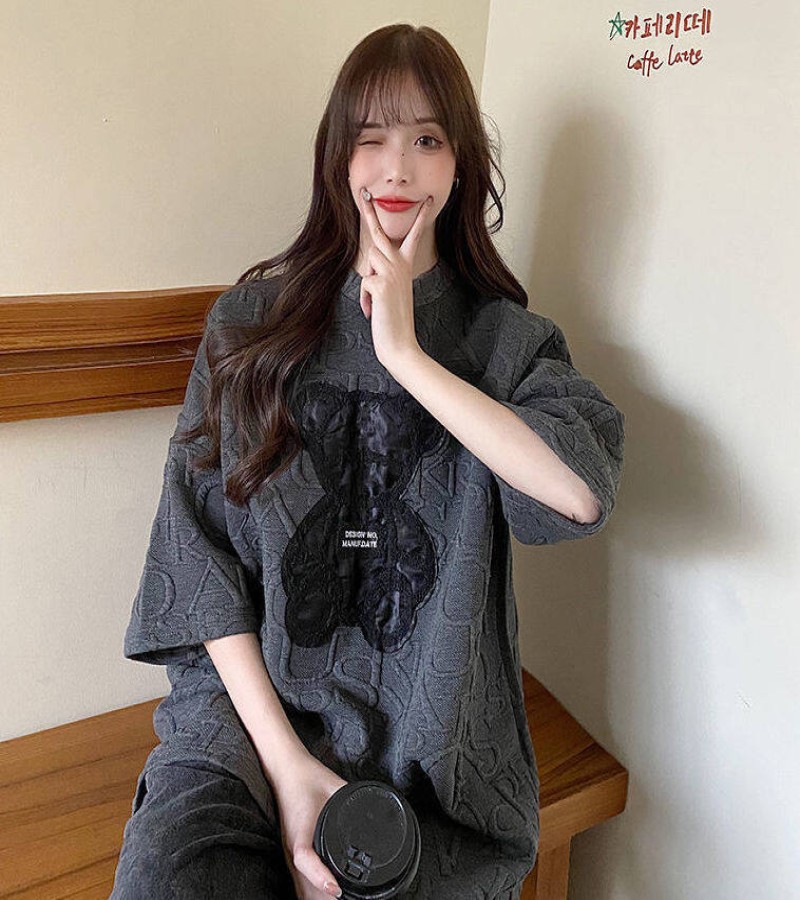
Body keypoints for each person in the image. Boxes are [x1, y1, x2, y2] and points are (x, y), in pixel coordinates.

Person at [110, 22, 625, 900]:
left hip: (436, 744)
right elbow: (198, 569)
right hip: (246, 727)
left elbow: (577, 495)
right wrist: (288, 772)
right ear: (336, 155)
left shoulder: (507, 342)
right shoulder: (249, 326)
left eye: (427, 140)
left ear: (460, 164)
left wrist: (407, 357)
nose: (397, 170)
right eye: (371, 138)